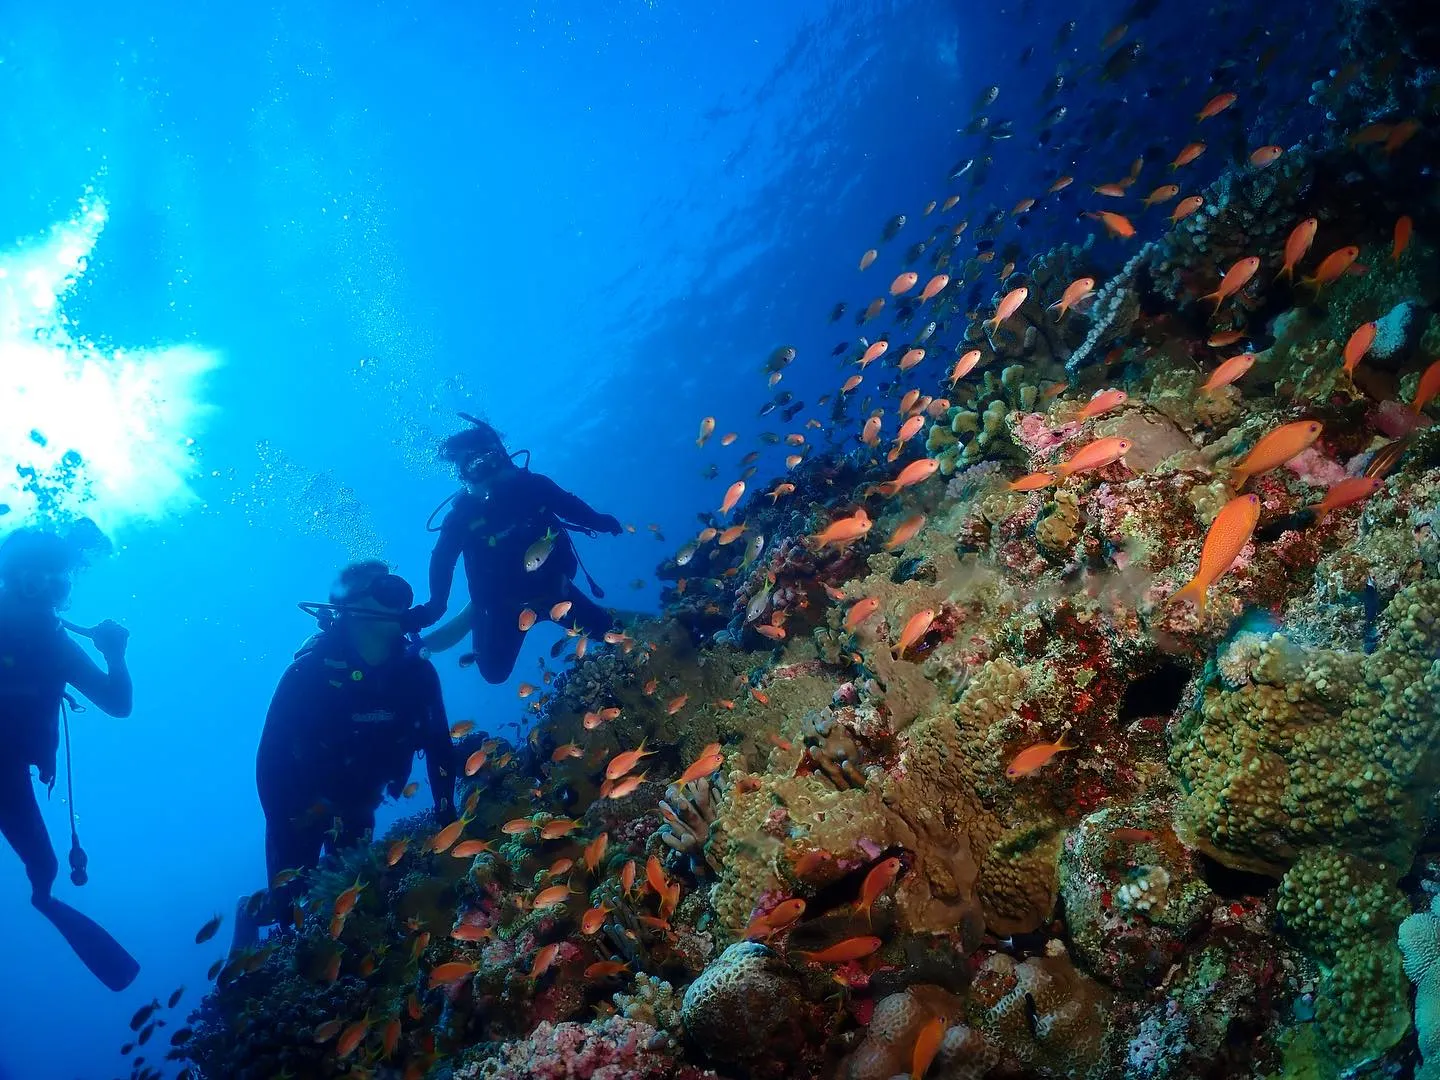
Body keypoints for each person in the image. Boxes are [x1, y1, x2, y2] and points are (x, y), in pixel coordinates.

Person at [235, 561, 456, 948]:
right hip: (300, 807)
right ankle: (251, 911)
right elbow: (269, 763)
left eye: (398, 589)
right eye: (384, 590)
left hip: (359, 802)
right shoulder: (308, 675)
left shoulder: (417, 674)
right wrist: (285, 823)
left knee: (347, 901)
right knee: (290, 913)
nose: (401, 600)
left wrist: (446, 817)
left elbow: (440, 746)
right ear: (351, 607)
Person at [0, 526, 139, 991]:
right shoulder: (49, 641)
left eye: (53, 579)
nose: (42, 588)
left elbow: (117, 704)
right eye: (30, 577)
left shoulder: (56, 643)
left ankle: (45, 900)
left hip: (8, 776)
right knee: (44, 867)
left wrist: (116, 655)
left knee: (46, 869)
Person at [410, 418, 624, 683]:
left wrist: (600, 522)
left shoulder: (534, 487)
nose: (486, 471)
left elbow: (570, 506)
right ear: (463, 475)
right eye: (473, 465)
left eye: (488, 458)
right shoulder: (461, 517)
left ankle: (479, 610)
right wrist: (436, 605)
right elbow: (442, 562)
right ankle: (475, 611)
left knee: (611, 636)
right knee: (494, 673)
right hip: (502, 605)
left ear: (502, 454)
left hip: (556, 590)